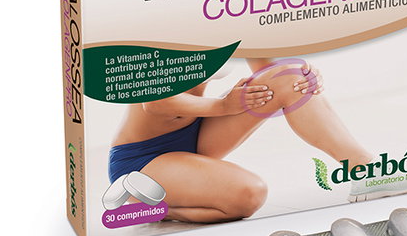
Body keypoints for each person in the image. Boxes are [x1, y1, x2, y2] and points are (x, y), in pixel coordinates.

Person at [108, 58, 374, 222]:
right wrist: (223, 106)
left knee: (292, 77)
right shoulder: (168, 20)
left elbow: (268, 70)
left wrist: (306, 75)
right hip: (142, 161)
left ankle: (365, 170)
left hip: (197, 132)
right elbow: (155, 103)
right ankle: (151, 208)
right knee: (249, 194)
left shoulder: (234, 16)